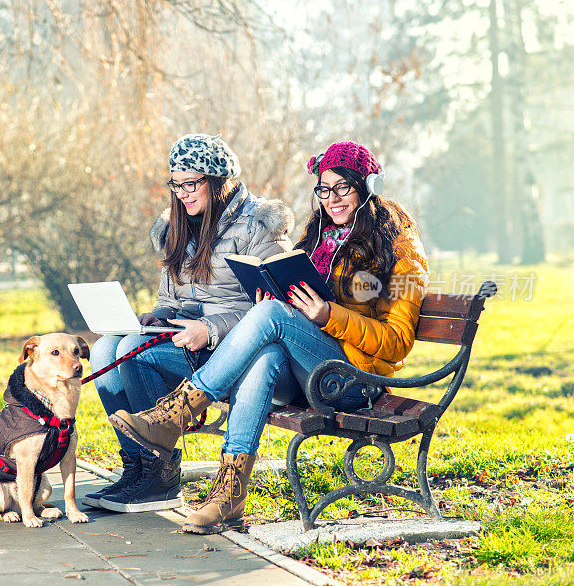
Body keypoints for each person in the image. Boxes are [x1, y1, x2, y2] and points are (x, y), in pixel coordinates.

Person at [110, 141, 429, 534]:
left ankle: (178, 411)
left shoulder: (401, 248)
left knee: (273, 316)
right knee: (265, 354)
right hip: (308, 369)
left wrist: (329, 315)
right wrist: (271, 292)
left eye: (343, 187)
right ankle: (229, 495)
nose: (333, 199)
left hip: (354, 380)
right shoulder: (319, 236)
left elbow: (397, 342)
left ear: (367, 187)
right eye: (324, 190)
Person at [86, 133, 295, 513]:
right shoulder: (177, 226)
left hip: (230, 351)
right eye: (175, 184)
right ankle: (138, 466)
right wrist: (158, 316)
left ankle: (160, 475)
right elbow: (172, 297)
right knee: (104, 350)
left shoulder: (259, 226)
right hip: (186, 340)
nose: (181, 193)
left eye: (191, 183)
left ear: (218, 181)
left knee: (132, 352)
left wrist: (211, 329)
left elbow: (276, 310)